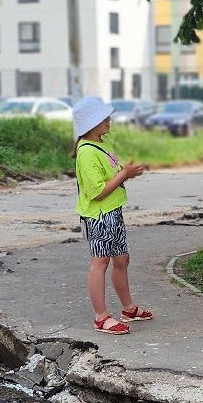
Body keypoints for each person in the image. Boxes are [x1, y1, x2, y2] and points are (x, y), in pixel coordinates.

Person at [72, 95, 150, 335]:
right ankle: (100, 317)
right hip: (99, 215)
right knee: (100, 262)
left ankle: (128, 309)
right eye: (104, 118)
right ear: (91, 123)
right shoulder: (87, 152)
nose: (109, 121)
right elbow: (97, 192)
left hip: (113, 212)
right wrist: (124, 174)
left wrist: (125, 171)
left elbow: (110, 176)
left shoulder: (100, 144)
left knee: (121, 259)